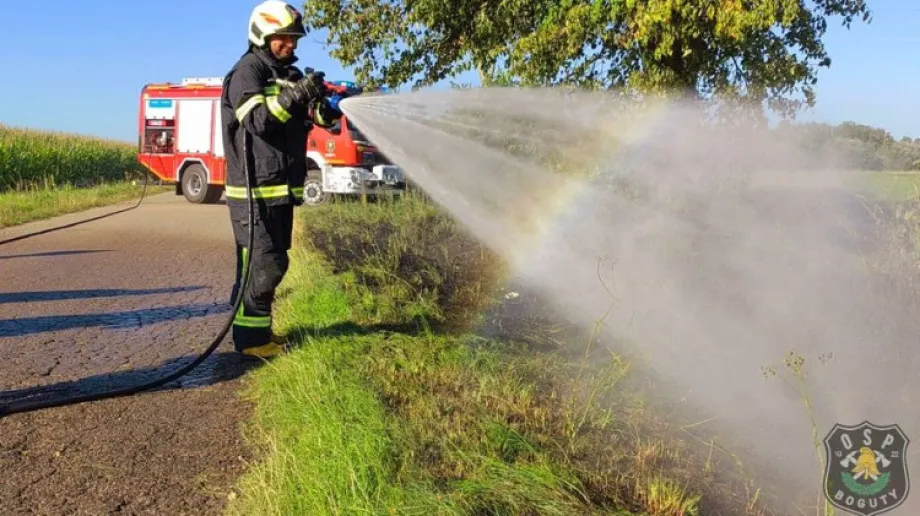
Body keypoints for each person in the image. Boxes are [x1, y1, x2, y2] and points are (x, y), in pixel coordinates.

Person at [221, 0, 342, 359]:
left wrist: (325, 105)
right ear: (262, 33)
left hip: (279, 191)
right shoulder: (248, 72)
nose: (290, 45)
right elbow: (258, 120)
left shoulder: (287, 75)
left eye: (293, 39)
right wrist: (295, 95)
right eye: (282, 38)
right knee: (261, 267)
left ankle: (257, 333)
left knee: (274, 264)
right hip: (253, 192)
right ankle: (250, 342)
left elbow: (313, 118)